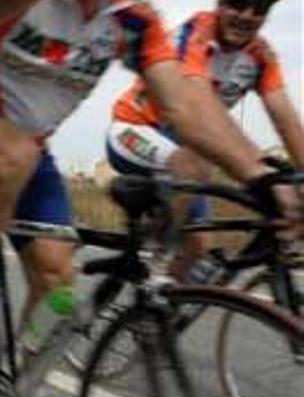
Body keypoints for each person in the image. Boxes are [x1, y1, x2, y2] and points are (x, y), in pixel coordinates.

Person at [0, 0, 301, 397]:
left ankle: (27, 394)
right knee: (13, 155)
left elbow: (184, 107)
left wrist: (260, 177)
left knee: (60, 287)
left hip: (30, 152)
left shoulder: (136, 21)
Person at [107, 0, 304, 281]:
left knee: (199, 245)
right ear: (219, 4)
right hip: (135, 129)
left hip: (188, 148)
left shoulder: (260, 56)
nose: (247, 15)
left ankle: (154, 316)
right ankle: (155, 261)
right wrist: (261, 172)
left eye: (259, 7)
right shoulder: (198, 31)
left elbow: (286, 118)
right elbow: (197, 103)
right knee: (194, 162)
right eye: (237, 3)